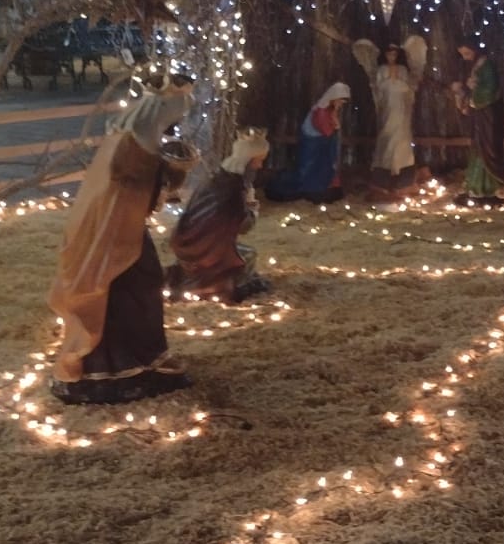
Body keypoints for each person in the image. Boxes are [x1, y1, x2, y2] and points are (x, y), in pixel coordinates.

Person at [49, 77, 199, 405]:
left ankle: (140, 358)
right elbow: (136, 188)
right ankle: (122, 365)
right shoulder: (139, 144)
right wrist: (169, 172)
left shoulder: (129, 134)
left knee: (137, 287)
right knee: (131, 290)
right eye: (172, 120)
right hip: (114, 234)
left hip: (115, 227)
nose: (172, 127)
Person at [167, 129, 272, 302]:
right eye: (258, 162)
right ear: (247, 162)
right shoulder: (233, 190)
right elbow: (244, 226)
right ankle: (236, 285)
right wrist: (252, 208)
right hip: (204, 250)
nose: (260, 167)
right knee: (249, 254)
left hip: (185, 241)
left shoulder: (216, 179)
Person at [264, 82, 350, 203]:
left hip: (320, 149)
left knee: (324, 176)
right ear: (334, 98)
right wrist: (335, 124)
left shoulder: (328, 111)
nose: (341, 104)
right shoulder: (321, 112)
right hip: (313, 148)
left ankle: (318, 188)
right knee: (307, 173)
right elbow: (327, 131)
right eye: (340, 101)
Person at [450, 40, 504, 204]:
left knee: (488, 147)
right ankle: (476, 185)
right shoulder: (476, 66)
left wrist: (473, 97)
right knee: (478, 147)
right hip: (480, 115)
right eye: (462, 54)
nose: (465, 57)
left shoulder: (487, 66)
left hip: (489, 115)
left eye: (467, 53)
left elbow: (490, 89)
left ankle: (493, 186)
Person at [372, 44, 418, 188]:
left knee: (401, 136)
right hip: (387, 106)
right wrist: (391, 81)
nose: (392, 57)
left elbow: (407, 88)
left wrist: (396, 81)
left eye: (394, 54)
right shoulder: (382, 70)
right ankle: (385, 167)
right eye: (389, 54)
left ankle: (401, 167)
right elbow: (379, 87)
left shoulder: (403, 70)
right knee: (387, 133)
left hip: (400, 106)